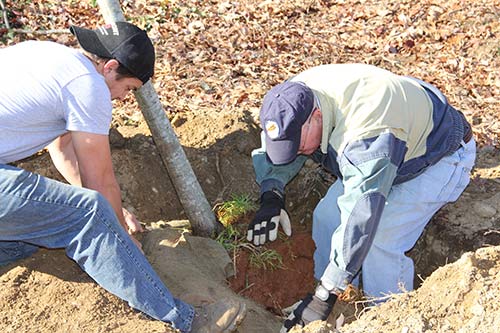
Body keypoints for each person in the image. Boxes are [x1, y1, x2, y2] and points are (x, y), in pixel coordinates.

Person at [0, 22, 245, 333]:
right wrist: (117, 231)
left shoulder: (50, 57)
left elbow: (62, 148)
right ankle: (187, 320)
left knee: (31, 236)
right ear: (111, 67)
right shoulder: (88, 85)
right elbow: (99, 182)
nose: (125, 98)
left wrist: (112, 214)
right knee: (88, 214)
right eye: (129, 88)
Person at [247, 64, 475, 331]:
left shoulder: (367, 136)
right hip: (396, 133)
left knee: (381, 241)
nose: (296, 151)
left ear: (317, 117)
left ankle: (388, 320)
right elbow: (280, 144)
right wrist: (272, 194)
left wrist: (324, 296)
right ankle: (338, 297)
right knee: (326, 217)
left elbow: (361, 215)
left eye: (297, 145)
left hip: (437, 157)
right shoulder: (290, 100)